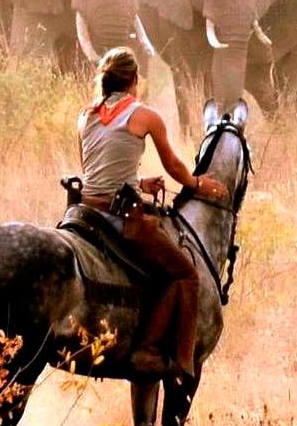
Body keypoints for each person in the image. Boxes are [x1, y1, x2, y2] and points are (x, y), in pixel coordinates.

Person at [77, 46, 227, 378]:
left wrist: (139, 182)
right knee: (186, 273)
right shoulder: (144, 115)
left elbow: (95, 171)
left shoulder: (85, 114)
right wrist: (197, 183)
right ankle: (174, 358)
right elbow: (174, 166)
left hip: (84, 211)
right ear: (133, 79)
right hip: (118, 216)